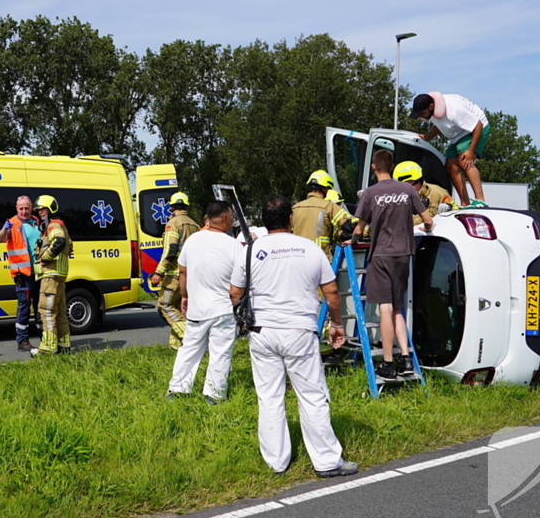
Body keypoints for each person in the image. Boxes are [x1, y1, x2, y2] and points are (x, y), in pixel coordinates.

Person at [229, 195, 358, 479]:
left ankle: (277, 462)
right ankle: (326, 461)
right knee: (312, 396)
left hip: (262, 332)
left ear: (264, 221)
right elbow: (332, 293)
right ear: (290, 219)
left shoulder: (250, 251)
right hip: (300, 331)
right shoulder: (309, 249)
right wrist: (336, 325)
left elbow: (235, 292)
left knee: (269, 397)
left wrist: (244, 318)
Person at [352, 150, 434, 379]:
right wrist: (427, 230)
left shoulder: (370, 193)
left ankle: (388, 363)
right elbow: (427, 220)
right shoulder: (407, 190)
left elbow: (359, 228)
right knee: (397, 307)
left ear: (373, 167)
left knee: (384, 308)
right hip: (404, 254)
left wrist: (354, 239)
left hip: (381, 255)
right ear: (393, 166)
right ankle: (406, 359)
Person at [166, 200, 240, 404]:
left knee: (189, 348)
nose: (232, 220)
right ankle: (214, 394)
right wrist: (237, 303)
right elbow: (239, 280)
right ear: (225, 218)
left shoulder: (193, 241)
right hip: (223, 309)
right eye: (231, 216)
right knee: (220, 353)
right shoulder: (234, 245)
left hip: (198, 308)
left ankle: (177, 389)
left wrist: (186, 296)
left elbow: (183, 271)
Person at [410, 92, 491, 208]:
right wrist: (428, 137)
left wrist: (470, 151)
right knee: (451, 168)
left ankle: (481, 201)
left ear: (431, 106)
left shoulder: (454, 111)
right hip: (458, 135)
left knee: (465, 161)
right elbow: (440, 124)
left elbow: (478, 125)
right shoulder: (434, 111)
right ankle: (465, 203)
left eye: (422, 113)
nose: (421, 116)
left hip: (476, 129)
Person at [151, 192, 200, 349]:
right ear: (187, 206)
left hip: (174, 275)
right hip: (191, 276)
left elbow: (170, 250)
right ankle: (176, 345)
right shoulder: (195, 225)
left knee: (164, 305)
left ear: (171, 207)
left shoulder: (173, 223)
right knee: (180, 308)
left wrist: (159, 272)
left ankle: (190, 337)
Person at [0, 195, 42, 354]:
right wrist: (5, 228)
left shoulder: (36, 221)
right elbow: (1, 239)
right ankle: (22, 340)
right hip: (22, 273)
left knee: (40, 306)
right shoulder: (12, 223)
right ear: (17, 208)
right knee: (24, 307)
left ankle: (44, 338)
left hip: (38, 271)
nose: (24, 211)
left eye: (27, 208)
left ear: (31, 208)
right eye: (21, 208)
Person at [33, 195, 72, 355]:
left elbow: (60, 242)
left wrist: (45, 258)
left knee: (46, 311)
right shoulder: (58, 225)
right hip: (59, 277)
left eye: (42, 209)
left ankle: (47, 348)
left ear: (50, 209)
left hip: (50, 275)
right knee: (60, 311)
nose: (40, 212)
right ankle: (64, 346)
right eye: (38, 210)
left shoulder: (53, 225)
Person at [291, 170, 355, 261]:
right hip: (320, 259)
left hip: (297, 259)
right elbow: (349, 225)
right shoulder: (328, 206)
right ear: (324, 188)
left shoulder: (295, 208)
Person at [393, 161, 457, 226]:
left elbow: (456, 213)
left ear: (419, 179)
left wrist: (449, 208)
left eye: (410, 182)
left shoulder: (438, 193)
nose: (408, 188)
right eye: (403, 184)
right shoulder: (394, 198)